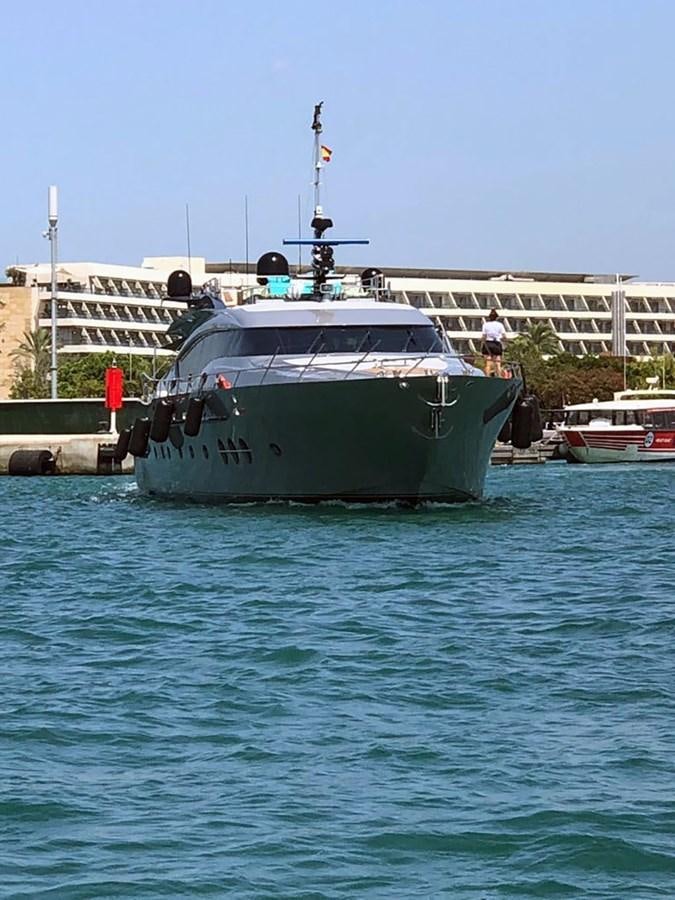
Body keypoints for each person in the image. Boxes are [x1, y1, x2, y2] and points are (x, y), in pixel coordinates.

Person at [481, 309, 507, 376]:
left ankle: (487, 377)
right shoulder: (500, 325)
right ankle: (499, 377)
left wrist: (482, 343)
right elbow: (504, 336)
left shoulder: (485, 325)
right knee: (498, 363)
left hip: (488, 343)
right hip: (496, 344)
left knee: (488, 363)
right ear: (496, 317)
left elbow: (483, 336)